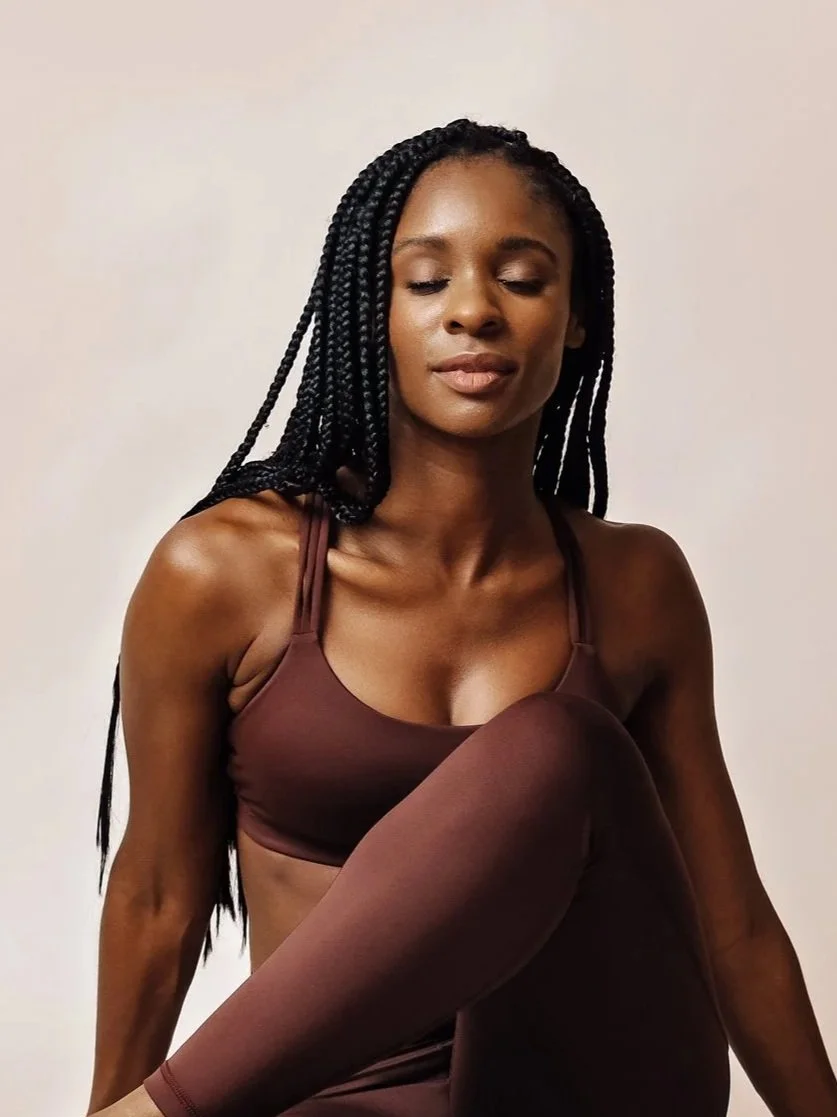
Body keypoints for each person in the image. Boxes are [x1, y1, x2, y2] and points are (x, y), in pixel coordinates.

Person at [85, 119, 837, 1117]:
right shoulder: (228, 571)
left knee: (558, 746)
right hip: (336, 1100)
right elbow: (157, 898)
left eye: (522, 278)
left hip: (589, 1093)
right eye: (427, 281)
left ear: (576, 317)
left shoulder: (633, 584)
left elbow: (732, 925)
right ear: (374, 311)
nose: (473, 312)